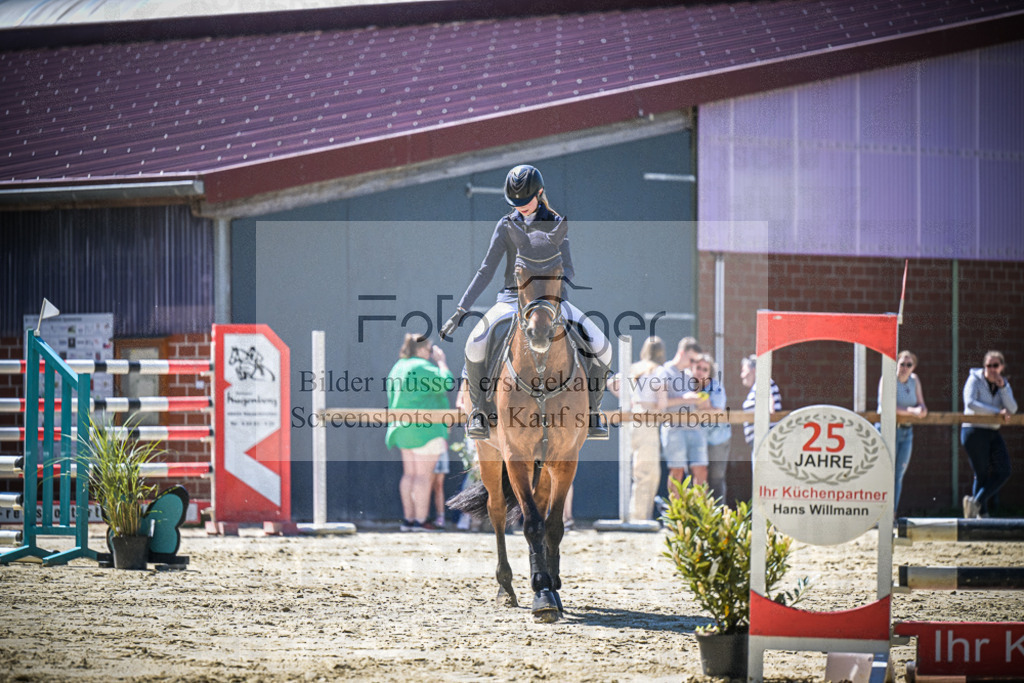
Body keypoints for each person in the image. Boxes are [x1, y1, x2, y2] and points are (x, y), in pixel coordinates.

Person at [440, 164, 613, 441]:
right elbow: (486, 269)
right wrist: (461, 309)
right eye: (515, 203)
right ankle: (480, 413)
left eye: (525, 201)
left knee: (602, 346)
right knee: (474, 343)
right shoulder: (506, 225)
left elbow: (569, 269)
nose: (520, 207)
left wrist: (549, 287)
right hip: (512, 299)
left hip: (553, 302)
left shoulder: (555, 222)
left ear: (540, 193)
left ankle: (592, 412)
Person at [385, 334, 453, 531]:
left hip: (402, 428)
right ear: (422, 349)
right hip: (425, 429)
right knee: (423, 477)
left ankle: (409, 520)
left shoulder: (398, 367)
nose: (431, 354)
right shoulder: (422, 367)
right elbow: (447, 382)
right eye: (430, 350)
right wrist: (442, 363)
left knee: (410, 476)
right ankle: (421, 520)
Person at [608, 336, 667, 521]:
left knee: (638, 470)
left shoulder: (634, 368)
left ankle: (639, 514)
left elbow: (611, 382)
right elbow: (662, 403)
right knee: (648, 473)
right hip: (648, 422)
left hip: (633, 421)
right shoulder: (658, 370)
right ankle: (640, 516)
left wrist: (629, 401)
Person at [960, 350, 1017, 519]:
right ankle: (982, 514)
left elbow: (1012, 409)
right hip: (973, 430)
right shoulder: (974, 379)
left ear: (1002, 367)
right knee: (981, 473)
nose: (991, 369)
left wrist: (1004, 388)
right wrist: (997, 412)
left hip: (992, 431)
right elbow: (970, 402)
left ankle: (975, 504)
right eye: (988, 365)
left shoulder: (1003, 384)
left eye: (995, 365)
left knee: (1004, 470)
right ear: (984, 366)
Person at [877, 350, 928, 514]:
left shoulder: (914, 380)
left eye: (909, 365)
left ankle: (891, 514)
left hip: (907, 431)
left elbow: (921, 404)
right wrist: (911, 411)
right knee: (884, 473)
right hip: (888, 430)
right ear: (896, 364)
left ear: (913, 367)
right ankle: (879, 513)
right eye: (902, 364)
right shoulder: (888, 378)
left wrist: (921, 410)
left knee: (898, 474)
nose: (905, 368)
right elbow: (888, 406)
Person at [660, 337, 709, 491]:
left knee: (701, 469)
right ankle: (678, 513)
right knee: (677, 472)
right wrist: (684, 399)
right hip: (674, 429)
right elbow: (661, 404)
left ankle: (699, 512)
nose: (694, 364)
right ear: (682, 353)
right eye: (692, 359)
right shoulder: (664, 371)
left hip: (695, 428)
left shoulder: (689, 375)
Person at [693, 353, 732, 504]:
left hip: (717, 439)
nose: (701, 372)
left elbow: (717, 410)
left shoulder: (716, 387)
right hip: (696, 440)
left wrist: (701, 405)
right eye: (698, 368)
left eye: (705, 369)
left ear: (710, 373)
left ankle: (718, 516)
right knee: (697, 478)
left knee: (716, 477)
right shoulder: (686, 386)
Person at [741, 354, 782, 467]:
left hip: (765, 442)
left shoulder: (763, 382)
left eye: (743, 371)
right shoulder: (759, 385)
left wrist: (769, 410)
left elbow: (770, 403)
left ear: (753, 370)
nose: (742, 375)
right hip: (760, 442)